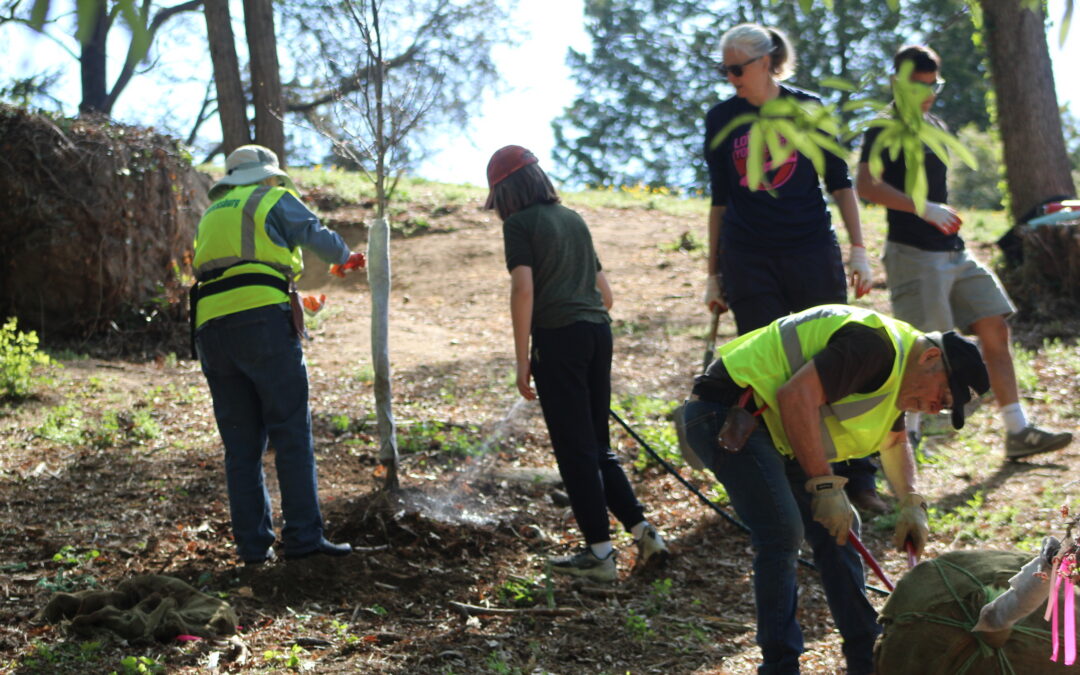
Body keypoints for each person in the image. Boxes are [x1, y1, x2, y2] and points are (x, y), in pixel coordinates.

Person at [680, 303, 991, 674]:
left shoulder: (903, 371)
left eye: (943, 408)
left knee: (843, 531)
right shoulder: (875, 347)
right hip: (730, 410)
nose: (934, 407)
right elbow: (796, 396)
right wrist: (826, 486)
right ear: (931, 357)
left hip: (774, 426)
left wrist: (911, 501)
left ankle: (867, 661)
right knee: (782, 531)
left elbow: (894, 441)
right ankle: (780, 666)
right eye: (942, 395)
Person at [856, 45, 1073, 460]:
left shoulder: (934, 124)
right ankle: (906, 438)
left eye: (933, 84)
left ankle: (1017, 430)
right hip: (913, 254)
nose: (926, 93)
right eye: (916, 85)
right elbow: (866, 185)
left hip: (955, 253)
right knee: (924, 349)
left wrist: (944, 214)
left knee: (995, 325)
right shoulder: (883, 128)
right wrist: (924, 207)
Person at [702, 22, 885, 513]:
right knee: (765, 369)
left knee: (836, 356)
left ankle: (858, 477)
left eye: (737, 68)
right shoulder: (722, 117)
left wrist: (859, 249)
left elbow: (840, 181)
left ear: (766, 62)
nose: (730, 77)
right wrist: (713, 272)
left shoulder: (808, 109)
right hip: (748, 258)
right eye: (724, 69)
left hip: (810, 251)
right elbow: (720, 200)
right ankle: (789, 482)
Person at [485, 144, 670, 582]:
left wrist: (521, 359)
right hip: (596, 333)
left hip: (560, 338)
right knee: (597, 444)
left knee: (575, 452)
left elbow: (523, 290)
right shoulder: (573, 220)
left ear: (505, 194)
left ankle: (600, 555)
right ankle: (644, 533)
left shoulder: (519, 225)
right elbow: (606, 294)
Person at [191, 144, 366, 564]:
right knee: (290, 430)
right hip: (261, 322)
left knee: (242, 446)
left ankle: (253, 549)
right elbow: (315, 234)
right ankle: (304, 539)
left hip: (209, 328)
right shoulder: (272, 197)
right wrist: (345, 257)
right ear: (267, 175)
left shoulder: (210, 213)